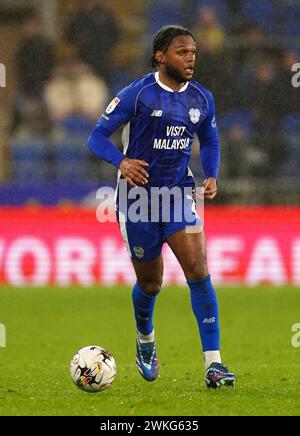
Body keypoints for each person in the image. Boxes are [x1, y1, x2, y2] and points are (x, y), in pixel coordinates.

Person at [88, 25, 237, 389]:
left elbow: (210, 139)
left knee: (198, 270)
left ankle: (214, 364)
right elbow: (95, 138)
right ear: (160, 56)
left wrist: (212, 174)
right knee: (151, 284)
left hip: (178, 195)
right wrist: (122, 162)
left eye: (193, 53)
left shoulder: (201, 99)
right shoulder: (137, 95)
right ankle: (145, 339)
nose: (190, 59)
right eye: (182, 52)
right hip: (137, 200)